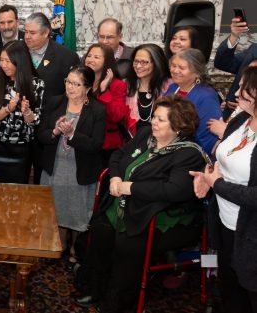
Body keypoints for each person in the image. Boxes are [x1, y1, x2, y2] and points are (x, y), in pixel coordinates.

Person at [75, 95, 208, 313]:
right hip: (129, 206)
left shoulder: (188, 153)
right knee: (101, 230)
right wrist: (116, 177)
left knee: (127, 245)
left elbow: (174, 190)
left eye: (161, 119)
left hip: (166, 216)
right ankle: (94, 288)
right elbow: (118, 155)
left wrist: (131, 188)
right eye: (154, 116)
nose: (153, 122)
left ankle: (117, 304)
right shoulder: (146, 135)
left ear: (179, 126)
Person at [191, 66, 257, 313]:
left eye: (243, 87)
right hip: (224, 221)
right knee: (230, 287)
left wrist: (216, 185)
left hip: (250, 231)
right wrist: (205, 175)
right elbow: (221, 156)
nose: (236, 92)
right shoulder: (241, 119)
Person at [37, 65, 106, 258]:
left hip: (80, 170)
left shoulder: (97, 110)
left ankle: (77, 248)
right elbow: (40, 135)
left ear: (88, 88)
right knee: (54, 211)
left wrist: (73, 134)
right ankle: (57, 246)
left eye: (76, 84)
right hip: (55, 167)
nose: (70, 87)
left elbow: (96, 144)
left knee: (77, 213)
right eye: (68, 82)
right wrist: (55, 132)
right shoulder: (55, 102)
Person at [0, 41, 43, 183]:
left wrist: (27, 112)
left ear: (20, 60)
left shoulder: (36, 84)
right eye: (1, 60)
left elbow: (35, 121)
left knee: (18, 191)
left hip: (22, 148)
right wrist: (8, 109)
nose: (3, 65)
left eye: (8, 61)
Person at [165, 48, 222, 154]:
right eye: (173, 66)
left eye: (181, 67)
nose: (175, 71)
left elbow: (206, 137)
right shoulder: (172, 88)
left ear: (197, 73)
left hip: (190, 152)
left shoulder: (206, 96)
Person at [83, 43, 130, 166]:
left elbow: (116, 116)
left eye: (96, 57)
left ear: (107, 62)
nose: (91, 60)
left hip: (106, 144)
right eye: (89, 56)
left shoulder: (118, 85)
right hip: (82, 140)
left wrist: (104, 90)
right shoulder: (80, 81)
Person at [24, 12, 80, 101]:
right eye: (26, 32)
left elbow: (75, 92)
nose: (27, 36)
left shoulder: (67, 57)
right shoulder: (18, 51)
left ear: (46, 32)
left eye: (32, 33)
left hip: (53, 112)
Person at [214, 15, 257, 119]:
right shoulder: (254, 50)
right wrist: (234, 35)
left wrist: (248, 106)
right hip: (231, 118)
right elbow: (223, 63)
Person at [126, 43, 171, 133]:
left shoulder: (170, 86)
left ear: (157, 62)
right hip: (134, 142)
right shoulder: (128, 85)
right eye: (136, 61)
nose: (138, 66)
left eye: (144, 62)